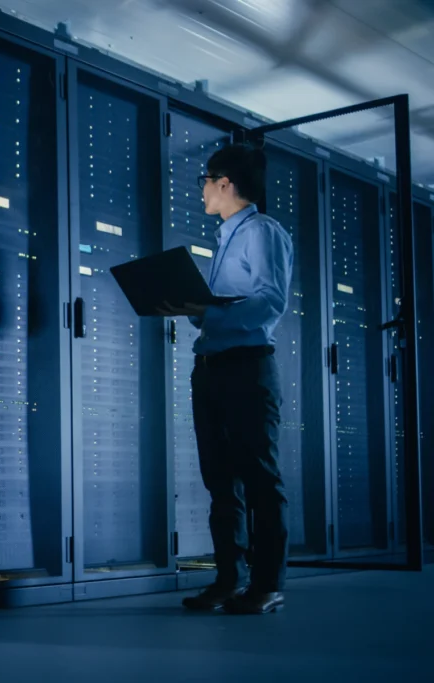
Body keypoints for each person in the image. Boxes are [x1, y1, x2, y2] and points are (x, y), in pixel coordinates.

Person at [159, 143, 293, 615]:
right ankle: (229, 581)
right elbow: (222, 314)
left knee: (259, 479)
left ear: (224, 184)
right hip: (212, 368)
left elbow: (270, 301)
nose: (201, 191)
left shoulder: (261, 232)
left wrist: (212, 311)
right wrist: (198, 310)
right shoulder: (225, 238)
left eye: (205, 181)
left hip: (246, 366)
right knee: (220, 479)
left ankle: (267, 585)